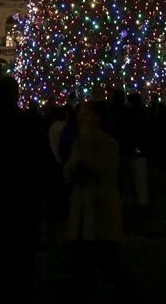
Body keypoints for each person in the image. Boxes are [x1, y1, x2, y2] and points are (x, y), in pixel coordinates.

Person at [0, 76, 44, 300]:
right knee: (21, 255)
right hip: (20, 199)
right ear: (15, 95)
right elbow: (36, 160)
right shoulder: (25, 122)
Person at [64, 101, 123, 296]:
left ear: (97, 118)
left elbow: (96, 170)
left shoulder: (109, 145)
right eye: (80, 113)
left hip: (101, 215)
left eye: (86, 114)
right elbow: (69, 172)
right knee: (81, 271)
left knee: (110, 268)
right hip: (81, 216)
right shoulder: (78, 143)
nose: (81, 117)